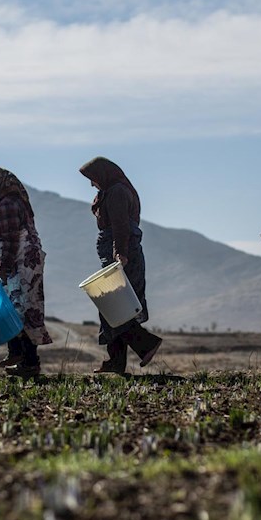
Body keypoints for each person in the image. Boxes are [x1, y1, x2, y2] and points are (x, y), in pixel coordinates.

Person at [80, 157, 163, 374]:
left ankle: (145, 343)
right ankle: (116, 362)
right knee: (113, 306)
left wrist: (120, 253)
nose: (92, 184)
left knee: (115, 306)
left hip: (122, 255)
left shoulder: (117, 192)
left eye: (93, 179)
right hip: (119, 253)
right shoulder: (112, 191)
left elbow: (120, 226)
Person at [0, 166, 53, 376]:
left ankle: (29, 362)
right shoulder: (9, 203)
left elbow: (10, 240)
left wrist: (3, 268)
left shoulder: (8, 205)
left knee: (22, 309)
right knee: (17, 307)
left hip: (21, 264)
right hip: (21, 263)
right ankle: (20, 355)